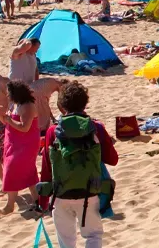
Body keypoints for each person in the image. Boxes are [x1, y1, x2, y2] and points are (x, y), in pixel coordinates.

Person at [41, 83, 119, 248]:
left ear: (62, 106)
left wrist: (43, 200)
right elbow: (113, 160)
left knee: (66, 241)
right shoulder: (95, 127)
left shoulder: (52, 131)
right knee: (93, 235)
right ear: (85, 104)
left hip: (61, 193)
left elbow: (47, 167)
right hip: (90, 191)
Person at [0, 81, 42, 216]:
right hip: (14, 143)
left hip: (25, 144)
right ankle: (38, 201)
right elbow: (8, 122)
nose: (7, 95)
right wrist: (1, 116)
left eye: (9, 93)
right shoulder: (16, 105)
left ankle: (10, 205)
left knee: (12, 170)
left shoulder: (28, 106)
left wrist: (8, 119)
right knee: (28, 172)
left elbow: (24, 127)